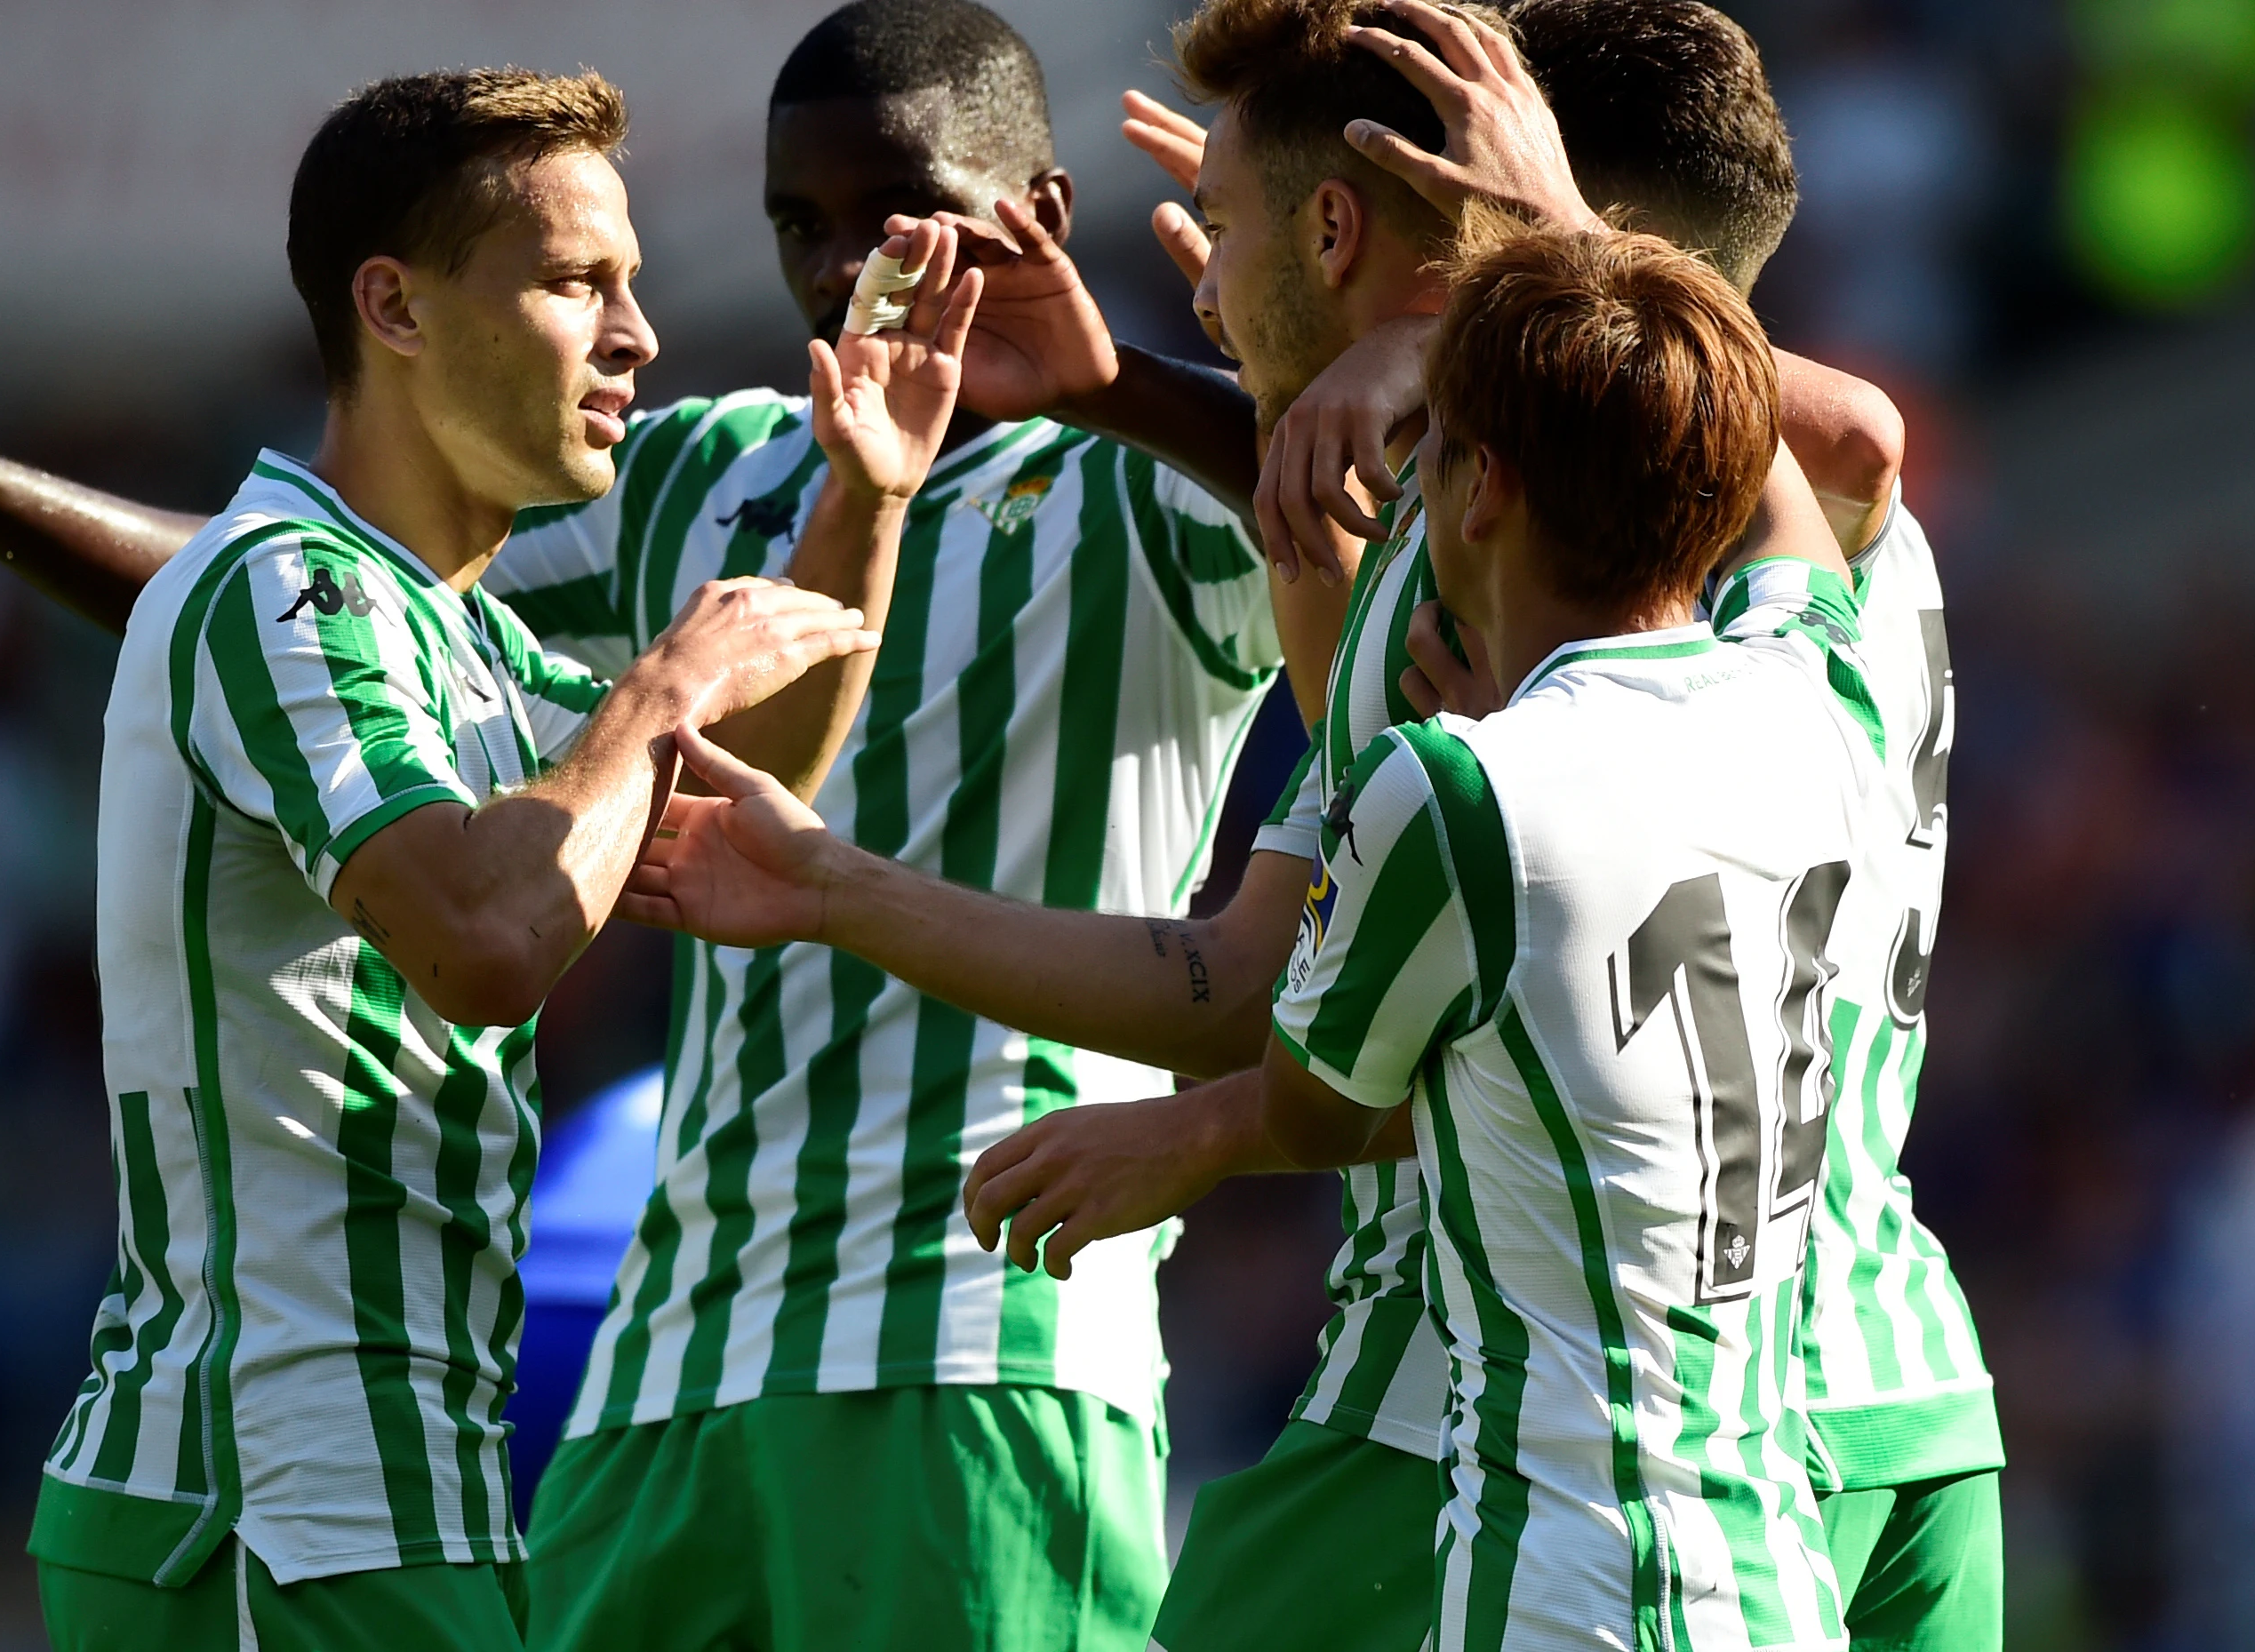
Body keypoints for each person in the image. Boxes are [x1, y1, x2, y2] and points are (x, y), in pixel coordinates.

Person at [0, 4, 1293, 1645]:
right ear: (397, 308)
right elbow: (315, 609)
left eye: (893, 214)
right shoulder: (687, 484)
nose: (844, 270)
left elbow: (1409, 507)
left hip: (976, 1324)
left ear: (1035, 217)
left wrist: (1069, 405)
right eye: (799, 225)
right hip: (645, 1344)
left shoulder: (1157, 496)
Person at [616, 4, 1907, 1648]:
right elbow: (1790, 461)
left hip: (1521, 1501)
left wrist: (1187, 1122)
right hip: (1755, 1500)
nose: (1199, 280)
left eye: (1219, 227)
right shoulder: (1807, 687)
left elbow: (1257, 1003)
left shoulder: (1468, 776)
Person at [1261, 207, 1869, 1650]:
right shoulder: (1821, 696)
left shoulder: (1461, 788)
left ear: (1483, 491)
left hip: (1573, 1593)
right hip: (1783, 1578)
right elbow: (1792, 516)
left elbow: (1313, 1106)